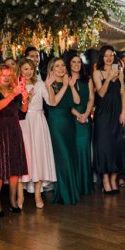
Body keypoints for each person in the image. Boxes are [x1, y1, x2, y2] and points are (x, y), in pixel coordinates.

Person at [0, 64, 29, 214]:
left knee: (14, 167)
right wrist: (12, 94)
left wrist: (25, 98)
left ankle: (12, 200)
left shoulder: (15, 90)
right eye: (3, 75)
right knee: (0, 168)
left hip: (14, 131)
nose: (6, 78)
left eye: (9, 75)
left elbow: (23, 112)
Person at [17, 58, 56, 209]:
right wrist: (27, 98)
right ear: (20, 70)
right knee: (24, 157)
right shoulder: (16, 86)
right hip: (23, 122)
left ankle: (38, 194)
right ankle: (20, 196)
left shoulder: (40, 84)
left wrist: (48, 86)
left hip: (38, 121)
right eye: (25, 68)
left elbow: (52, 103)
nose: (28, 72)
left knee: (38, 156)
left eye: (31, 69)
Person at [93, 46, 125, 194]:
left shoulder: (119, 73)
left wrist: (124, 112)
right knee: (104, 147)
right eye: (106, 56)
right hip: (103, 115)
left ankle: (114, 179)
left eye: (111, 55)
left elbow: (122, 94)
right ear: (102, 57)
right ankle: (105, 181)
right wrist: (108, 78)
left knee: (116, 146)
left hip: (116, 114)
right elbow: (101, 94)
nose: (109, 58)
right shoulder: (97, 73)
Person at [46, 57, 81, 205]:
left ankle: (71, 191)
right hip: (57, 123)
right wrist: (66, 85)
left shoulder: (68, 83)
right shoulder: (50, 84)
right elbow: (53, 102)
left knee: (70, 155)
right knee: (63, 156)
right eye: (57, 66)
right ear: (52, 69)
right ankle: (65, 194)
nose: (61, 68)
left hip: (69, 123)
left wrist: (71, 86)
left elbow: (77, 101)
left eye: (62, 65)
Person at [66, 52, 94, 196]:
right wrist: (78, 115)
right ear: (69, 64)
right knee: (73, 151)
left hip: (85, 118)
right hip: (71, 118)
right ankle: (75, 184)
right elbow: (66, 102)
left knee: (84, 149)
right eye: (73, 62)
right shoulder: (65, 79)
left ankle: (85, 184)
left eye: (78, 62)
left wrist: (86, 114)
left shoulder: (87, 79)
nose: (77, 65)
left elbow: (91, 98)